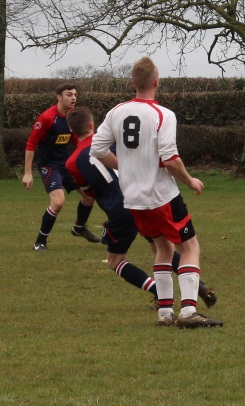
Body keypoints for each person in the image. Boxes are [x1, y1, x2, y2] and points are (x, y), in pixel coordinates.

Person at [91, 57, 223, 328]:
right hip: (161, 195)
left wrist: (125, 167)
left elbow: (97, 149)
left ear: (133, 82)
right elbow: (170, 159)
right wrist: (190, 181)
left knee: (163, 248)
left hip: (133, 198)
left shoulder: (116, 112)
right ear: (156, 81)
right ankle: (188, 311)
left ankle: (165, 313)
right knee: (190, 247)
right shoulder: (163, 114)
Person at [65, 106, 218, 309]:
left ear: (71, 131)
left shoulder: (72, 163)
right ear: (92, 125)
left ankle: (158, 292)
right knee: (163, 248)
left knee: (115, 261)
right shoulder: (114, 141)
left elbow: (88, 195)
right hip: (142, 196)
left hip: (119, 210)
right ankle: (199, 287)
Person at [23, 82, 101, 250]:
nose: (73, 98)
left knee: (89, 196)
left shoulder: (72, 117)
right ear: (59, 97)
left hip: (66, 165)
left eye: (75, 95)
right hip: (49, 166)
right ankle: (40, 242)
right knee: (58, 202)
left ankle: (79, 227)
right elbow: (31, 144)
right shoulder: (47, 118)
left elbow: (76, 140)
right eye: (69, 95)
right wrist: (28, 173)